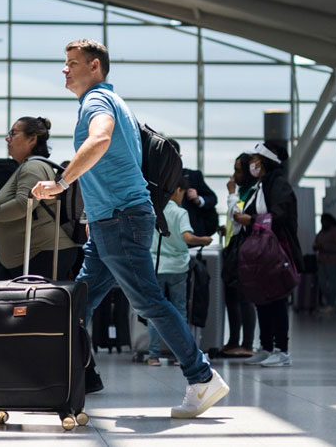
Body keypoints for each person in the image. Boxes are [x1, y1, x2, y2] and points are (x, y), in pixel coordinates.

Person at [31, 39, 229, 419]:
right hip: (110, 221)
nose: (65, 69)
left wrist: (63, 182)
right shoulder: (108, 100)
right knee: (79, 303)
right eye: (65, 63)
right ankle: (60, 379)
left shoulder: (97, 102)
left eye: (72, 63)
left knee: (148, 301)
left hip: (120, 219)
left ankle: (201, 376)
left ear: (95, 67)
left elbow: (101, 138)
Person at [0, 117, 79, 280]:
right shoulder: (28, 167)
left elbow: (23, 205)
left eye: (13, 133)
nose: (8, 138)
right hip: (30, 257)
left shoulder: (34, 167)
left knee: (31, 304)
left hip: (41, 255)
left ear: (32, 139)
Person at [234, 142, 304, 368]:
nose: (252, 163)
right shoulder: (261, 185)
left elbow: (280, 215)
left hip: (277, 250)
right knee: (263, 297)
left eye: (255, 158)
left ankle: (281, 350)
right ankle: (265, 347)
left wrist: (251, 220)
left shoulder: (278, 185)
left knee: (277, 299)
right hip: (262, 252)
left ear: (263, 161)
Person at [147, 176, 213, 366]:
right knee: (179, 311)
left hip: (155, 266)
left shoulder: (154, 211)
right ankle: (180, 355)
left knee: (154, 311)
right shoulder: (180, 212)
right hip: (177, 268)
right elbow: (187, 237)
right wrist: (204, 240)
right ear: (177, 190)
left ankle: (153, 355)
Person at [219, 153, 257, 358]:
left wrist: (231, 193)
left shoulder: (250, 191)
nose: (234, 175)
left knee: (245, 298)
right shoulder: (243, 190)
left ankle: (247, 343)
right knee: (232, 298)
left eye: (238, 170)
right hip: (232, 247)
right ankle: (234, 340)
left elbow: (238, 214)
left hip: (244, 251)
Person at [169, 139, 218, 237]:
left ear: (179, 157)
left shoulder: (193, 176)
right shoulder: (155, 179)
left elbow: (212, 198)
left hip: (191, 231)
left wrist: (198, 199)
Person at [314, 213, 336, 312]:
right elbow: (316, 241)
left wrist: (324, 247)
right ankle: (327, 302)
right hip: (321, 260)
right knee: (321, 283)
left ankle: (331, 304)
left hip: (332, 261)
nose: (322, 223)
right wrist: (317, 246)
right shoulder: (322, 231)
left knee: (332, 283)